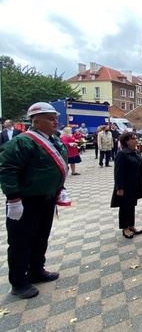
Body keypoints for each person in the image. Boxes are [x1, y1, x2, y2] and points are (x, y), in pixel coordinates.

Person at [0, 102, 68, 299]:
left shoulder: (53, 139)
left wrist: (58, 187)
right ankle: (19, 282)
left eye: (55, 117)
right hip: (24, 201)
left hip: (46, 199)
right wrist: (13, 198)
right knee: (21, 241)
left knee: (40, 236)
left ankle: (37, 270)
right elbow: (7, 170)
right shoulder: (22, 142)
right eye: (50, 118)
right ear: (36, 121)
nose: (55, 121)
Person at [111, 131, 142, 239]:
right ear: (126, 141)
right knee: (124, 206)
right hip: (125, 185)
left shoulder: (136, 152)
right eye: (133, 138)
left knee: (132, 205)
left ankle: (131, 225)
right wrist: (119, 188)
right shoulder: (122, 154)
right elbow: (118, 172)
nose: (136, 140)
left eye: (136, 138)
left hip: (135, 184)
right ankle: (125, 227)